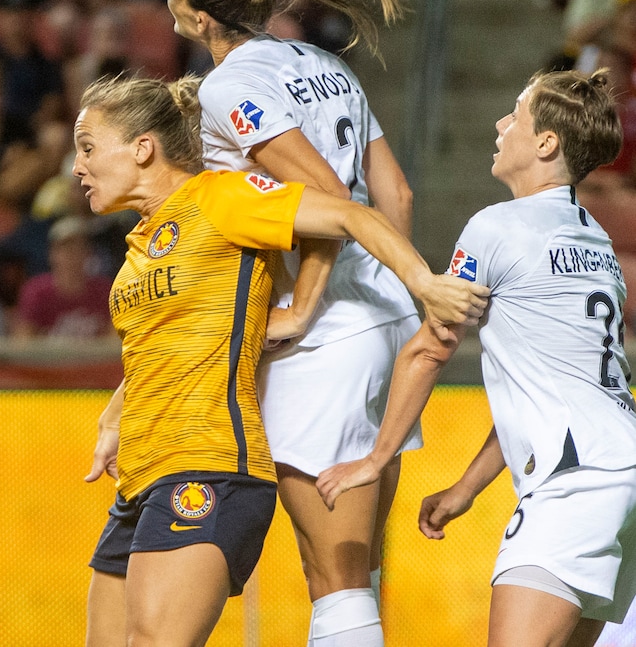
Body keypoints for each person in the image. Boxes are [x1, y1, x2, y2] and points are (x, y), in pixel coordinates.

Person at [76, 72, 489, 647]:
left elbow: (350, 215)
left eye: (88, 147)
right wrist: (114, 415)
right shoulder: (142, 242)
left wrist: (422, 285)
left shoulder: (222, 199)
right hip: (141, 478)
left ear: (143, 147)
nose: (78, 167)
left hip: (207, 466)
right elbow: (174, 339)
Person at [164, 0, 440, 646]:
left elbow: (326, 197)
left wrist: (304, 309)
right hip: (382, 322)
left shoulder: (228, 87)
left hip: (327, 338)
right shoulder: (326, 64)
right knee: (356, 569)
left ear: (197, 16)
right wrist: (395, 293)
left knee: (332, 573)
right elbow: (397, 194)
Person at [316, 68, 636, 647]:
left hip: (575, 483)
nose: (500, 123)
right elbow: (546, 388)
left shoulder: (497, 227)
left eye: (517, 114)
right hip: (620, 470)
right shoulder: (594, 239)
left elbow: (429, 350)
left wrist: (375, 459)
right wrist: (466, 488)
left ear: (546, 142)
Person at [12, 215, 113, 338]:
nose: (71, 254)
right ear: (52, 254)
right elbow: (23, 339)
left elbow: (115, 338)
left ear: (88, 253)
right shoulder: (37, 292)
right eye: (65, 248)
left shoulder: (104, 291)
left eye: (78, 247)